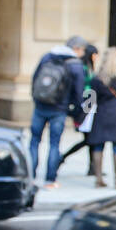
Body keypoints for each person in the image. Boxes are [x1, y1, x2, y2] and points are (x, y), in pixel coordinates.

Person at [30, 35, 87, 188]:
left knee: (34, 141)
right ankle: (50, 179)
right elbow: (78, 92)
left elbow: (35, 79)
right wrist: (76, 111)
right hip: (59, 109)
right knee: (54, 144)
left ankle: (31, 176)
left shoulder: (47, 57)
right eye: (83, 50)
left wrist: (36, 100)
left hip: (40, 106)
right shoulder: (76, 65)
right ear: (76, 48)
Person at [84, 47, 116, 189]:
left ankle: (98, 179)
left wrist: (83, 115)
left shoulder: (97, 78)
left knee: (98, 146)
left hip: (101, 114)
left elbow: (90, 99)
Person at [54, 44, 99, 177]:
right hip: (87, 106)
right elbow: (86, 90)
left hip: (89, 105)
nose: (96, 57)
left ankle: (93, 168)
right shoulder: (84, 69)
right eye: (95, 54)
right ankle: (62, 158)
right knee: (89, 139)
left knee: (91, 139)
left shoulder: (87, 68)